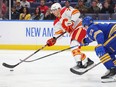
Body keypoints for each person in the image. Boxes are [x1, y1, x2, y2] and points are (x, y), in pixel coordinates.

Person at [46, 3, 94, 72]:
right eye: (52, 11)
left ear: (59, 9)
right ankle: (87, 61)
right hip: (74, 32)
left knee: (73, 44)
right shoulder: (56, 22)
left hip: (80, 27)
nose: (53, 12)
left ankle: (79, 64)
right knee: (74, 47)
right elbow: (59, 34)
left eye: (54, 10)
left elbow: (76, 12)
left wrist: (72, 21)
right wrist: (54, 39)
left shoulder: (65, 10)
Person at [82, 16, 116, 82]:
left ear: (85, 25)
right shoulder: (96, 26)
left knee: (100, 49)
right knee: (109, 52)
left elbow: (99, 34)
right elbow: (92, 37)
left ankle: (112, 70)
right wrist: (85, 41)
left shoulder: (91, 27)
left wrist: (100, 44)